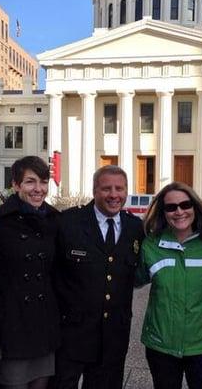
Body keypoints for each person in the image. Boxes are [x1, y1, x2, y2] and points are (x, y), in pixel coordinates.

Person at [52, 165, 144, 389]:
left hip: (113, 335)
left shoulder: (135, 227)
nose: (114, 195)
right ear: (94, 191)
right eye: (106, 189)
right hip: (71, 334)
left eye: (120, 189)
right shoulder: (68, 223)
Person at [136, 182, 202, 389]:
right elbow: (132, 280)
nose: (179, 211)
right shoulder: (150, 245)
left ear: (195, 207)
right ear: (163, 212)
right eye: (171, 207)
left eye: (185, 205)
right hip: (161, 346)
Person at [0, 156, 60, 389]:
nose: (38, 189)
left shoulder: (55, 220)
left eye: (43, 181)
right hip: (13, 324)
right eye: (30, 182)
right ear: (16, 185)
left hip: (44, 323)